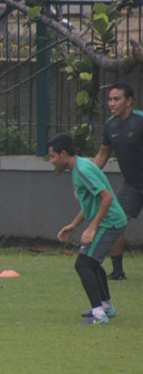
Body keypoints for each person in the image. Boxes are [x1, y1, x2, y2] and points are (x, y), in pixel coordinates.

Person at [50, 134, 127, 325]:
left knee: (83, 264)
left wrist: (92, 228)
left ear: (64, 153)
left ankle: (99, 315)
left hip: (109, 223)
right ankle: (106, 307)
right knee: (91, 263)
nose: (51, 161)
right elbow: (91, 202)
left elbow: (106, 198)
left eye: (52, 156)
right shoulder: (79, 167)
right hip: (110, 221)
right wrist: (74, 225)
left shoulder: (83, 169)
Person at [92, 82, 143, 281]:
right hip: (132, 185)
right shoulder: (110, 125)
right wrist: (87, 180)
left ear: (129, 101)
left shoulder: (140, 121)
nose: (111, 104)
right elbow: (102, 156)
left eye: (116, 99)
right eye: (110, 99)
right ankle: (118, 271)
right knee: (116, 221)